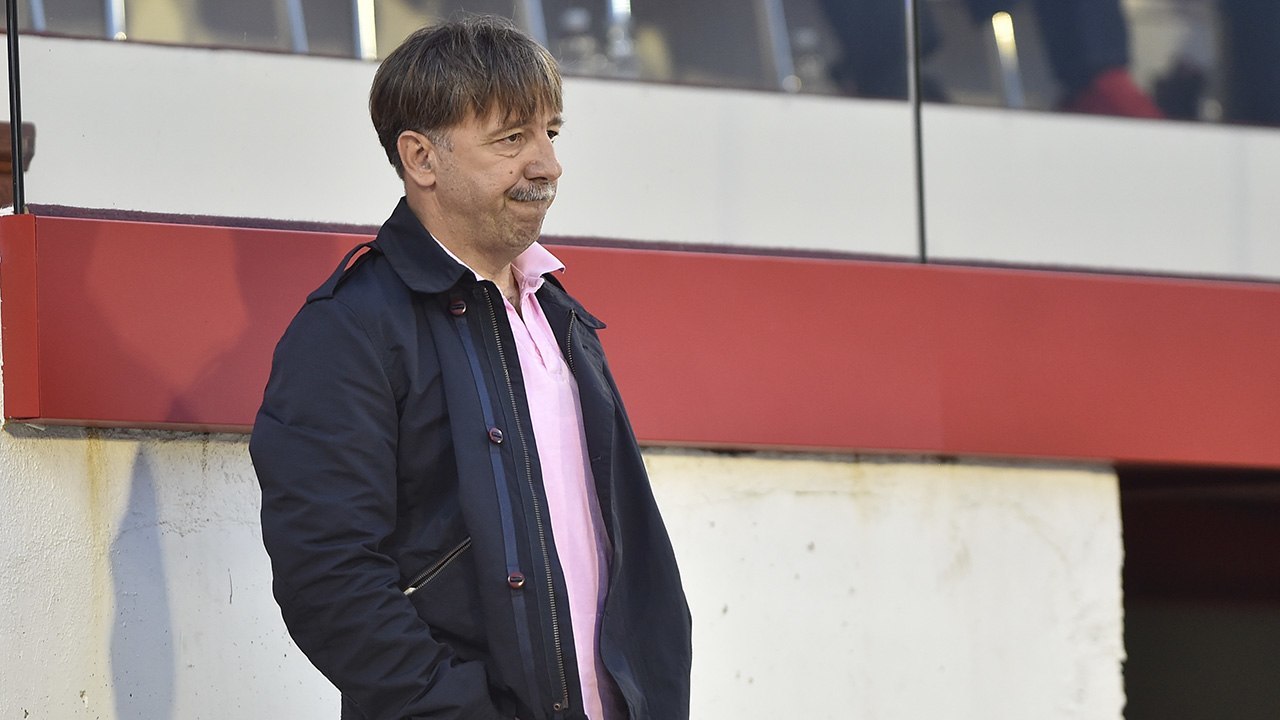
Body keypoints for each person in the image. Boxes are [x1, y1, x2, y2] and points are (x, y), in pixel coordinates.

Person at [250, 16, 692, 720]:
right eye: (511, 138)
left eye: (551, 132)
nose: (547, 164)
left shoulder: (559, 314)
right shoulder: (349, 328)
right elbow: (328, 576)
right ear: (421, 158)